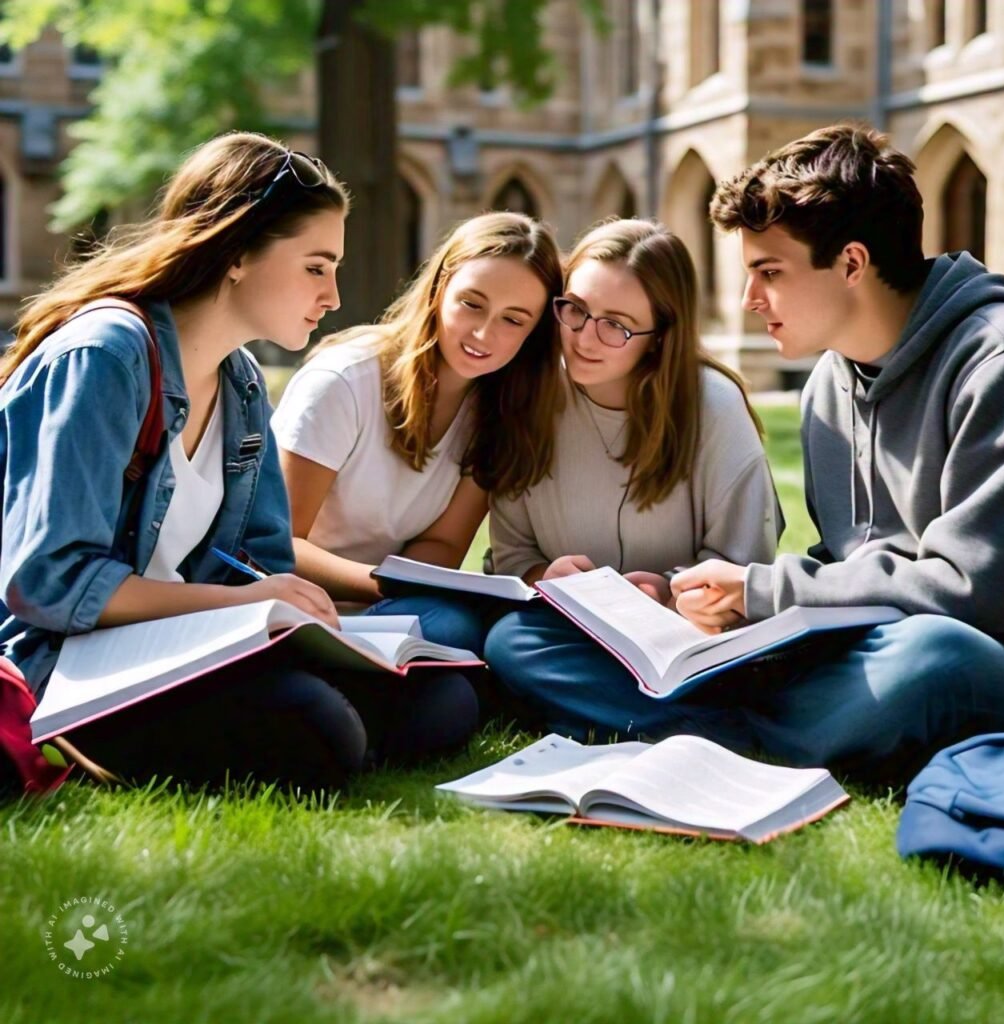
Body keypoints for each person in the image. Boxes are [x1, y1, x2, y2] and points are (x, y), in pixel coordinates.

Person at [0, 131, 474, 791]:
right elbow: (49, 583)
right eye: (316, 266)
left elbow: (262, 561)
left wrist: (286, 608)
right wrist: (241, 603)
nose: (333, 295)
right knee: (324, 731)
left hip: (191, 650)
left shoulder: (241, 382)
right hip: (74, 668)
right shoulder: (105, 357)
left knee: (442, 703)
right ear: (237, 252)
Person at [668, 123, 1004, 781]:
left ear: (852, 263)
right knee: (535, 642)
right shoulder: (826, 386)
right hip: (869, 646)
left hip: (983, 653)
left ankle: (697, 724)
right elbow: (843, 564)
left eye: (768, 273)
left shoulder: (1000, 362)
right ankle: (713, 705)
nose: (750, 302)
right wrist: (720, 611)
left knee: (933, 657)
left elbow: (972, 591)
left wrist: (762, 591)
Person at [483, 218, 782, 740]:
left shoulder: (713, 407)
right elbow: (510, 559)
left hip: (690, 640)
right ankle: (705, 726)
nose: (582, 338)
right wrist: (545, 577)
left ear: (660, 335)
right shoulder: (527, 399)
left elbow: (746, 567)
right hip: (570, 635)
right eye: (574, 309)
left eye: (615, 325)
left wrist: (669, 594)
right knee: (510, 641)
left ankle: (618, 714)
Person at [270, 211, 563, 655]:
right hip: (294, 602)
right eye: (472, 303)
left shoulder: (499, 411)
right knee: (451, 640)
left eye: (514, 320)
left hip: (389, 608)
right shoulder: (343, 381)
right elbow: (277, 543)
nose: (484, 333)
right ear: (440, 288)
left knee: (460, 638)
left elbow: (443, 543)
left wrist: (402, 591)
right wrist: (384, 585)